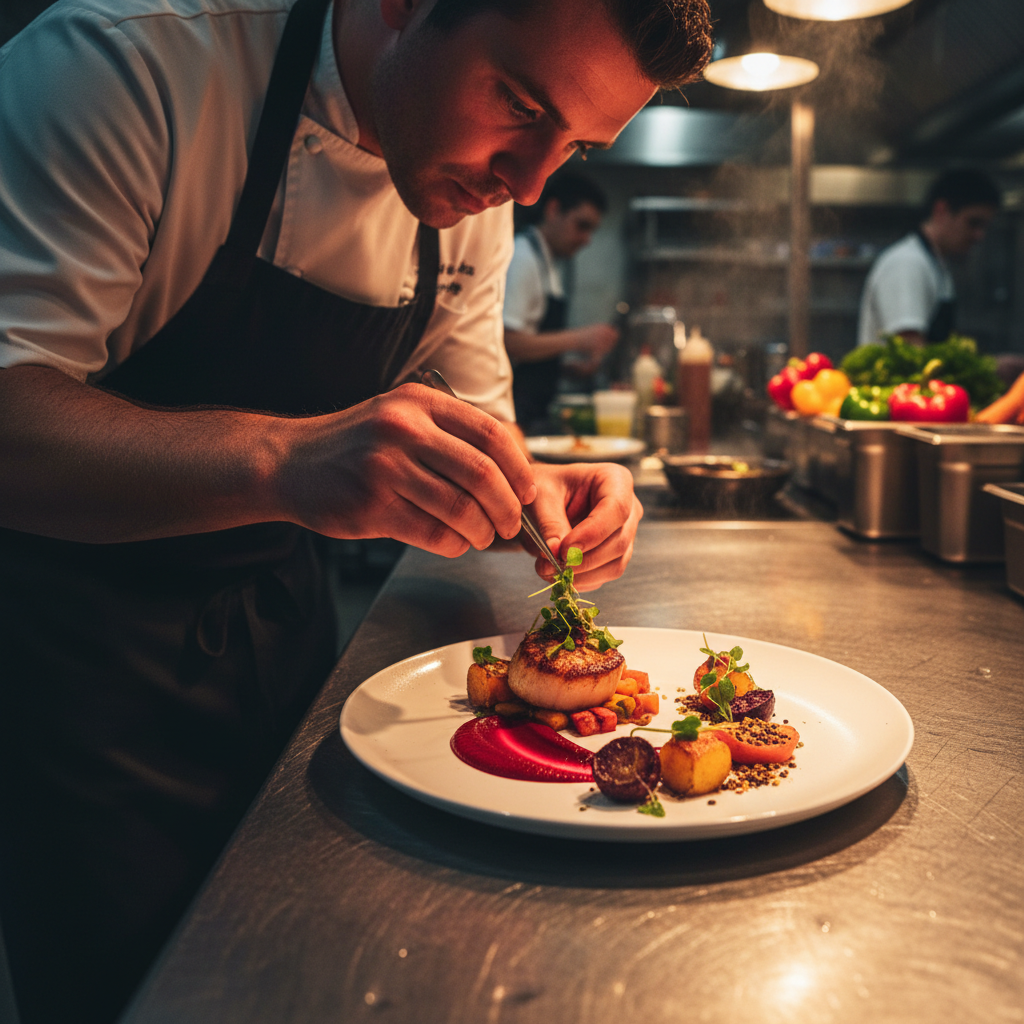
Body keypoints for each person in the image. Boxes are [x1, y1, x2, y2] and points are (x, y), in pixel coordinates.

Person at [0, 0, 713, 1021]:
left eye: (580, 146)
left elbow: (479, 427)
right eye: (518, 102)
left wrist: (536, 496)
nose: (529, 182)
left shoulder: (485, 197)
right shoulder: (127, 69)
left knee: (308, 972)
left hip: (293, 649)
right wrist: (281, 460)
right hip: (77, 674)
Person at [503, 172, 619, 432]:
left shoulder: (547, 262)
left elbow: (529, 345)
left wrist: (564, 369)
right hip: (515, 413)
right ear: (553, 209)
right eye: (582, 225)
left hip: (533, 410)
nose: (586, 239)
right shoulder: (523, 257)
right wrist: (580, 339)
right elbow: (508, 342)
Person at [857, 168, 1001, 348]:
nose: (979, 235)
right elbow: (910, 348)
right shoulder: (908, 264)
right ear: (941, 210)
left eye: (984, 226)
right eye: (973, 222)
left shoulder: (935, 264)